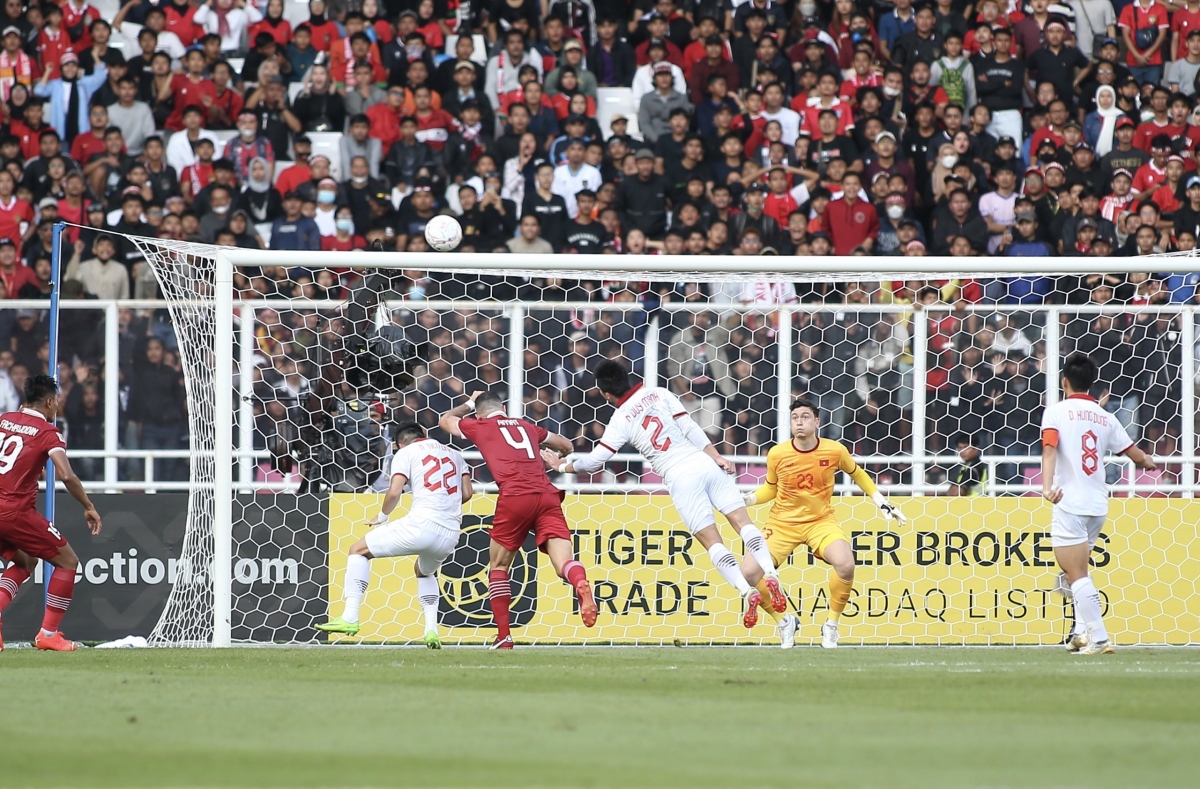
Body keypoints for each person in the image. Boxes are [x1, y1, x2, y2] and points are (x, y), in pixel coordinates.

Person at [541, 360, 786, 629]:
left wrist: (562, 465)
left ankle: (746, 590)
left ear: (606, 393)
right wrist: (716, 456)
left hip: (680, 477)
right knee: (743, 523)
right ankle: (771, 574)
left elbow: (594, 462)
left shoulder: (620, 419)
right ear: (627, 376)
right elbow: (690, 427)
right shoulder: (659, 393)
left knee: (713, 542)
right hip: (703, 462)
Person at [739, 398, 905, 649]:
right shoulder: (777, 453)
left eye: (805, 417)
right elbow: (771, 489)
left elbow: (857, 473)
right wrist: (750, 498)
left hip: (821, 522)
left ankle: (831, 625)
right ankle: (784, 621)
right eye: (795, 417)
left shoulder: (834, 450)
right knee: (749, 572)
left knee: (846, 565)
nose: (799, 422)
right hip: (783, 523)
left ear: (817, 421)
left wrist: (879, 499)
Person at [439, 390, 597, 649]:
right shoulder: (527, 426)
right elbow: (567, 445)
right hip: (547, 495)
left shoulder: (479, 425)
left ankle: (504, 636)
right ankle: (580, 582)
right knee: (564, 563)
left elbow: (445, 420)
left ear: (479, 412)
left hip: (515, 496)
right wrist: (552, 461)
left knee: (499, 567)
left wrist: (469, 402)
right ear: (502, 406)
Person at [1040, 352, 1157, 655]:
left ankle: (1101, 638)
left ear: (1064, 380)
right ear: (1091, 383)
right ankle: (1079, 634)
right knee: (1078, 572)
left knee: (1074, 573)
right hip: (1098, 505)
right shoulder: (1106, 417)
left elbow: (1050, 450)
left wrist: (1047, 486)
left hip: (1070, 502)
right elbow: (1137, 456)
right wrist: (1150, 463)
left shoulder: (1056, 411)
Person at [317, 422, 472, 648]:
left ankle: (350, 617)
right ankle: (431, 631)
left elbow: (394, 491)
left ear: (398, 444)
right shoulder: (456, 455)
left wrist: (381, 516)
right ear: (425, 434)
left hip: (421, 524)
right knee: (424, 571)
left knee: (357, 551)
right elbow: (467, 493)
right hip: (450, 533)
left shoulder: (406, 452)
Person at [0, 374, 103, 651]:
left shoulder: (3, 420)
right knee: (68, 561)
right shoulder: (48, 432)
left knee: (25, 562)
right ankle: (48, 633)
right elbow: (67, 476)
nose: (57, 404)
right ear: (49, 401)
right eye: (56, 400)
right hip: (14, 512)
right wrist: (89, 506)